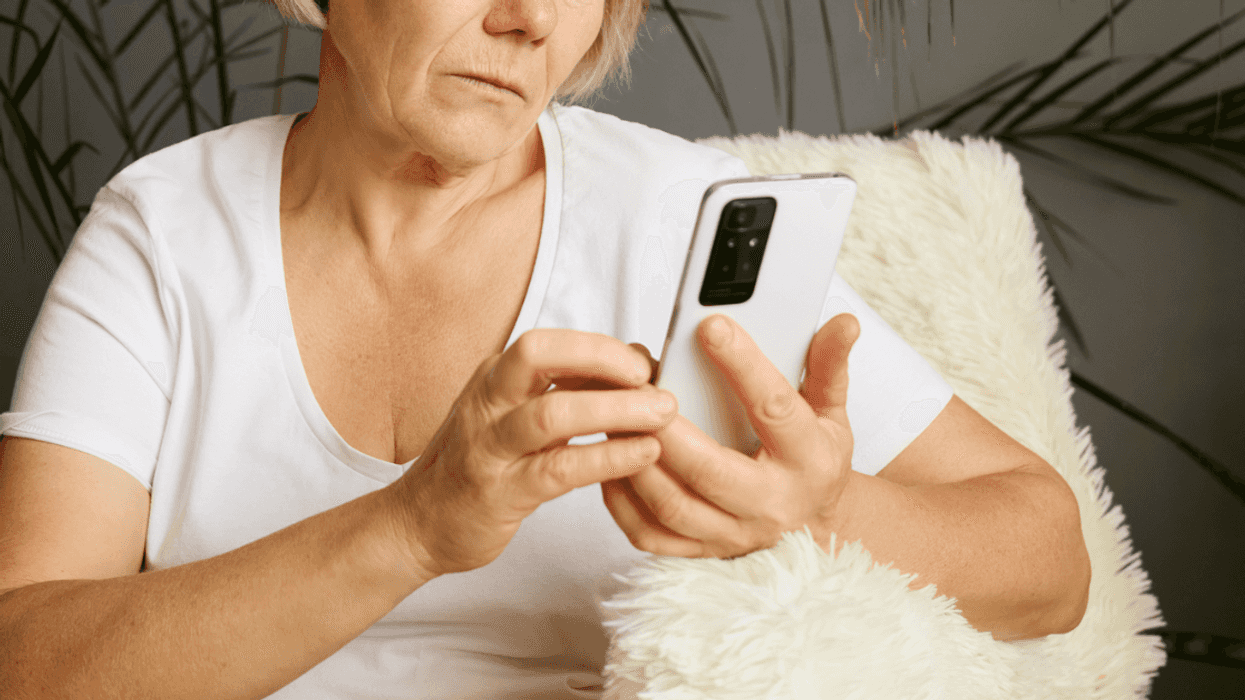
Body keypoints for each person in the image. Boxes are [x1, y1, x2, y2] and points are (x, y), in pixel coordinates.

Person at [0, 0, 1092, 697]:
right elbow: (24, 654)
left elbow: (1052, 560)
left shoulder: (671, 216)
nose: (528, 19)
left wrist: (817, 508)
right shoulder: (165, 228)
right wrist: (414, 527)